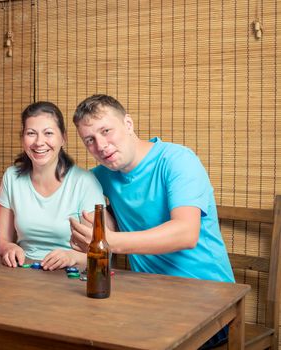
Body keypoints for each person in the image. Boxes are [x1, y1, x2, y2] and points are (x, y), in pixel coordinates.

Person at [70, 94, 234, 349]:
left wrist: (110, 241)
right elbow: (72, 194)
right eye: (89, 140)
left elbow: (186, 233)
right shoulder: (101, 176)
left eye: (106, 131)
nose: (101, 145)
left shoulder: (178, 160)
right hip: (146, 297)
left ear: (128, 123)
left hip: (210, 301)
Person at [0, 101, 105, 270]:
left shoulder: (85, 182)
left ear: (63, 138)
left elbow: (100, 253)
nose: (39, 142)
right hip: (23, 271)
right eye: (31, 133)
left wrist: (71, 257)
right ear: (22, 138)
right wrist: (8, 247)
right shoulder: (12, 177)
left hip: (70, 275)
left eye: (48, 133)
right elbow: (0, 239)